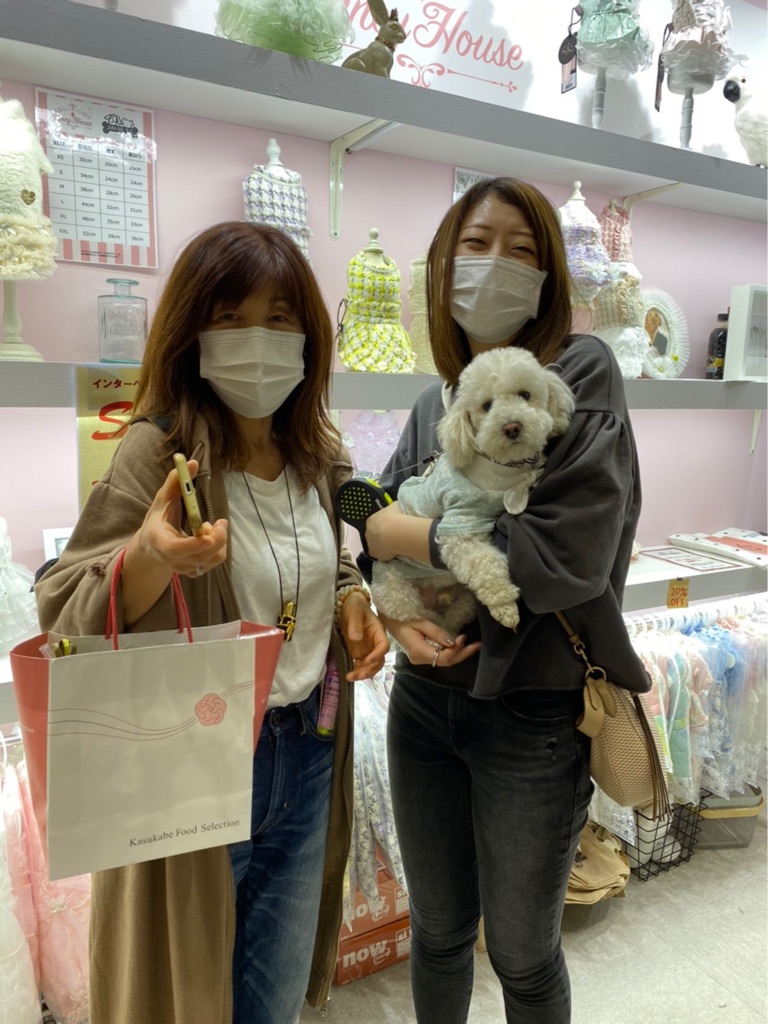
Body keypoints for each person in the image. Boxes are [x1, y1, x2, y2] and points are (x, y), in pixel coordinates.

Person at [35, 221, 389, 1024]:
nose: (257, 340)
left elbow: (328, 554)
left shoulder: (318, 452)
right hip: (197, 752)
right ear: (193, 332)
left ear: (308, 336)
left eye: (278, 317)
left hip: (309, 745)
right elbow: (63, 604)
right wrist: (150, 557)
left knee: (272, 994)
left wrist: (352, 599)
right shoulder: (158, 451)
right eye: (230, 318)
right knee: (187, 991)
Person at [358, 177, 649, 1024]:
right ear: (443, 268)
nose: (496, 265)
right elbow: (365, 511)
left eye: (522, 250)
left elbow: (563, 559)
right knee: (438, 932)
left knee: (523, 952)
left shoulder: (579, 373)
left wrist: (402, 535)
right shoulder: (436, 400)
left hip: (531, 710)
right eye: (476, 245)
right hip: (423, 701)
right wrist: (391, 608)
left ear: (551, 275)